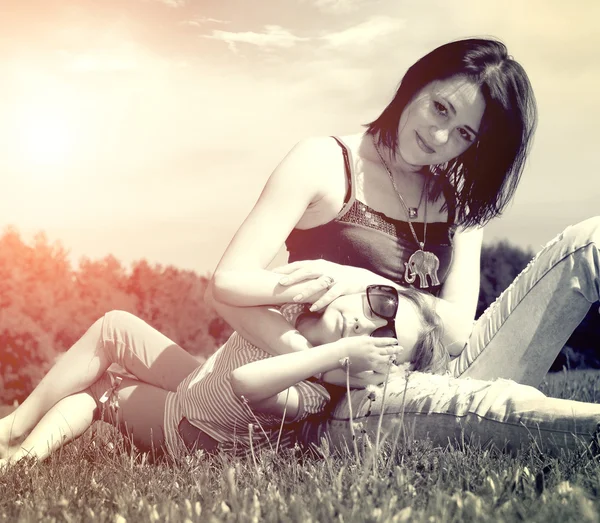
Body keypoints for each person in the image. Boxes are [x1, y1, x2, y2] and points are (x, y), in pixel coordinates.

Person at [205, 37, 600, 456]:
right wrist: (325, 360)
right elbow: (230, 280)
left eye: (463, 133)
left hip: (444, 368)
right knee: (486, 405)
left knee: (588, 242)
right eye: (440, 107)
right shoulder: (323, 161)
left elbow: (456, 332)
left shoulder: (458, 203)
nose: (440, 135)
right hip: (352, 398)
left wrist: (360, 278)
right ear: (416, 84)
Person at [0, 284, 446, 464]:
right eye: (380, 304)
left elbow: (246, 382)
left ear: (374, 371)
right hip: (196, 382)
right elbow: (231, 286)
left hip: (190, 426)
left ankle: (19, 461)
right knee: (114, 324)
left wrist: (336, 353)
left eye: (381, 339)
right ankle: (11, 428)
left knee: (104, 393)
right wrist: (311, 279)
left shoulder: (312, 395)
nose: (364, 324)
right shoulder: (297, 309)